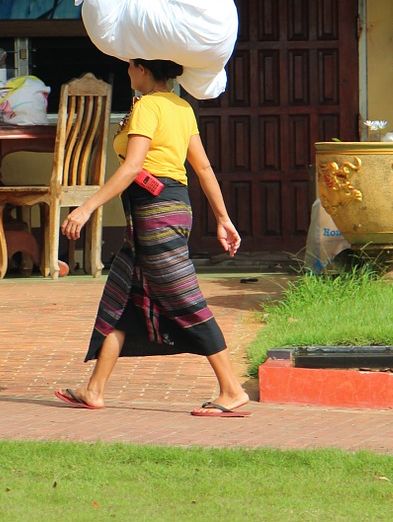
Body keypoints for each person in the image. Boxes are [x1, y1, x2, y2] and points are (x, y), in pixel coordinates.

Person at [53, 59, 250, 417]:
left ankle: (232, 390)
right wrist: (222, 218)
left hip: (155, 214)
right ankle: (94, 389)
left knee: (183, 298)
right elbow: (202, 167)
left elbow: (131, 166)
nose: (128, 72)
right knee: (122, 295)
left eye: (130, 66)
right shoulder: (180, 106)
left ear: (143, 69)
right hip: (170, 209)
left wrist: (86, 207)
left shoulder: (148, 106)